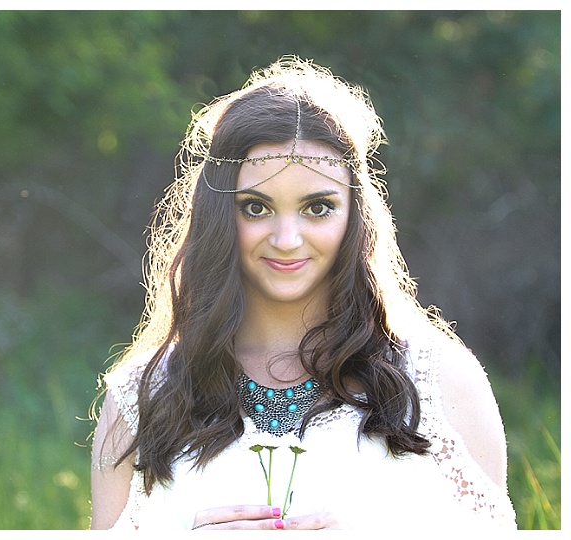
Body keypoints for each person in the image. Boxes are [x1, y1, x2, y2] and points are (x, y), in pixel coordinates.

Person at [89, 56, 516, 530]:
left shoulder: (441, 381)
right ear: (217, 216)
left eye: (318, 207)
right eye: (256, 207)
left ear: (354, 213)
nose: (287, 239)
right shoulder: (141, 396)